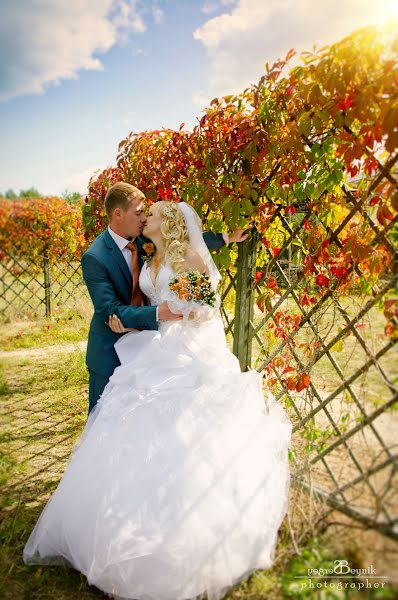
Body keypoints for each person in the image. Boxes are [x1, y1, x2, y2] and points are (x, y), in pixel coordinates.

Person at [23, 200, 291, 600]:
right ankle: (119, 527)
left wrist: (182, 312)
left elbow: (206, 308)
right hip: (152, 343)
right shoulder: (150, 257)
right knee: (132, 428)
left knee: (180, 437)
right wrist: (136, 320)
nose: (146, 217)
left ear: (169, 223)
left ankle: (181, 537)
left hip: (185, 350)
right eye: (142, 212)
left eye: (154, 213)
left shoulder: (188, 257)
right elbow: (146, 303)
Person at [81, 182, 248, 415]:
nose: (144, 218)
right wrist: (159, 313)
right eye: (139, 213)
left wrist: (226, 237)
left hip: (164, 343)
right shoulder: (95, 257)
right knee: (104, 418)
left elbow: (184, 236)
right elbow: (109, 309)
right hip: (113, 345)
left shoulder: (145, 240)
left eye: (147, 213)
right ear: (118, 214)